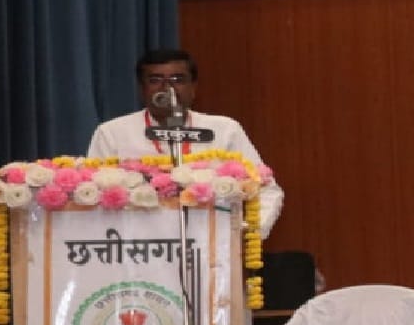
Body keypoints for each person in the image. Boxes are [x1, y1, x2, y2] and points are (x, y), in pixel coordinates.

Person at [87, 48, 283, 237]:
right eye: (155, 80)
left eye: (178, 80)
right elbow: (93, 196)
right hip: (136, 247)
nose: (167, 89)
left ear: (193, 87)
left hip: (210, 245)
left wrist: (243, 233)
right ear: (141, 89)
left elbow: (266, 189)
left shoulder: (224, 130)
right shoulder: (112, 133)